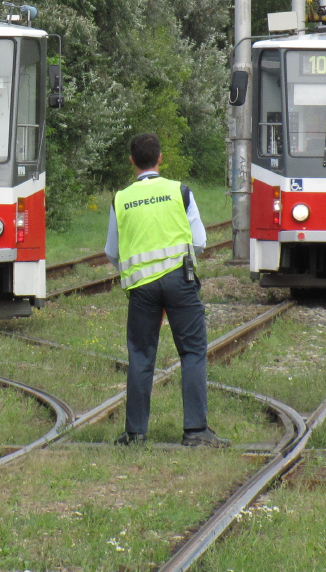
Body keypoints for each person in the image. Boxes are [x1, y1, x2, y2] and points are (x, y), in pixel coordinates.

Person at [104, 133, 228, 448]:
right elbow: (199, 242)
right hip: (180, 281)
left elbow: (112, 252)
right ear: (160, 158)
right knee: (192, 352)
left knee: (141, 355)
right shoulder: (180, 192)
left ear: (131, 161)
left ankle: (135, 433)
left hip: (142, 288)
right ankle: (196, 431)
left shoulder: (121, 199)